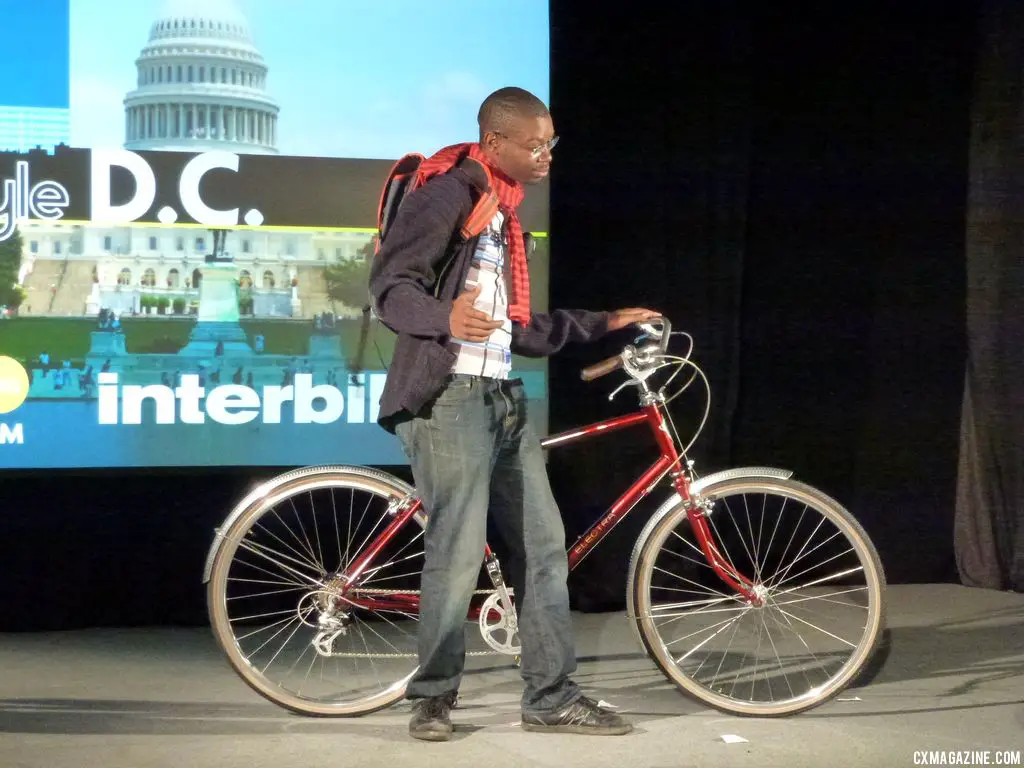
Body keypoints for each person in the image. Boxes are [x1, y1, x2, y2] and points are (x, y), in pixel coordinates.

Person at [369, 86, 659, 742]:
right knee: (457, 549)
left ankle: (551, 698)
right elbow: (389, 288)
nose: (546, 154)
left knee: (543, 547)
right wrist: (444, 316)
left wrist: (606, 322)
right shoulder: (446, 196)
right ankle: (433, 699)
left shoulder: (505, 212)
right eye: (534, 144)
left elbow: (519, 330)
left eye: (550, 143)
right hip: (449, 402)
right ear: (495, 142)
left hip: (500, 398)